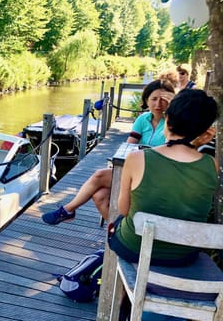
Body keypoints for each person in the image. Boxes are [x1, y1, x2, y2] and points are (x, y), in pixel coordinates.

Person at [42, 79, 176, 225]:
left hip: (157, 176)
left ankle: (68, 210)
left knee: (99, 175)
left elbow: (173, 149)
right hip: (138, 169)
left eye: (163, 100)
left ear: (171, 101)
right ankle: (115, 238)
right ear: (146, 100)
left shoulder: (174, 122)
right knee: (100, 196)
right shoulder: (143, 119)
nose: (158, 104)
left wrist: (173, 112)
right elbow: (129, 145)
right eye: (154, 99)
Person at [109, 88, 218, 266]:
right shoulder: (210, 163)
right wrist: (196, 142)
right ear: (204, 131)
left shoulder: (138, 158)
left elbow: (124, 209)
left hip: (135, 248)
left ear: (167, 120)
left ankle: (119, 290)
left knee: (118, 223)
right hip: (183, 256)